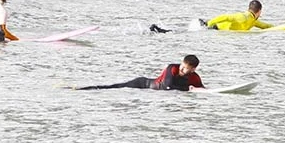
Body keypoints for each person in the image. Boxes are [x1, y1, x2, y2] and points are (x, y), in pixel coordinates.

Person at [75, 54, 203, 92]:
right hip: (142, 84)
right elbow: (167, 86)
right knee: (112, 87)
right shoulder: (173, 68)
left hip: (149, 90)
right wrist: (188, 89)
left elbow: (202, 89)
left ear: (193, 70)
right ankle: (80, 88)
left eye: (185, 68)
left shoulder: (194, 77)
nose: (181, 69)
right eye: (182, 66)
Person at [207, 0, 273, 31]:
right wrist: (208, 24)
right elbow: (225, 17)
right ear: (259, 11)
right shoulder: (242, 17)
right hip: (213, 28)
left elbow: (265, 26)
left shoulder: (253, 21)